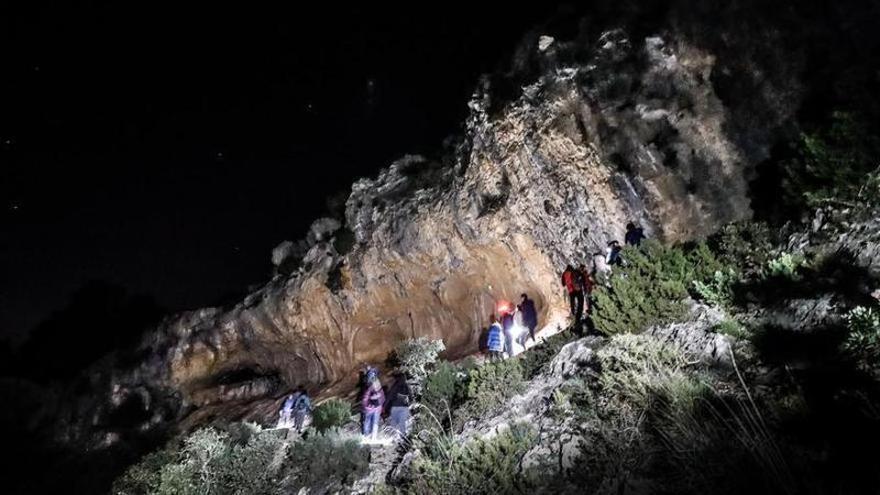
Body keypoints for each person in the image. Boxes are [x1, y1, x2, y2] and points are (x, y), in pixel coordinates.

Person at [385, 372, 412, 438]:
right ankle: (402, 437)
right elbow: (410, 396)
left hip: (395, 407)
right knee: (402, 422)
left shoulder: (395, 386)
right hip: (404, 407)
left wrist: (385, 405)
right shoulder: (406, 386)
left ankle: (393, 437)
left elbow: (389, 396)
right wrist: (410, 404)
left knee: (394, 422)